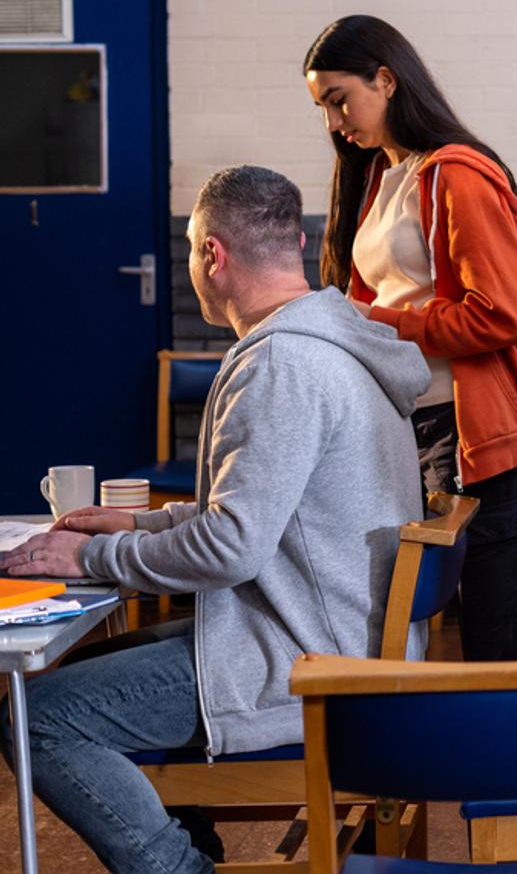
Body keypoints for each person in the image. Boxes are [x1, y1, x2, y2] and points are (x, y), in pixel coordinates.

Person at [0, 166, 426, 874]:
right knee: (78, 673)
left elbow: (233, 548)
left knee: (34, 715)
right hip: (334, 635)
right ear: (294, 242)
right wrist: (140, 528)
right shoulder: (333, 338)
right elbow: (265, 513)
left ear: (212, 256)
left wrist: (84, 559)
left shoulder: (281, 364)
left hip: (309, 664)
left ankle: (179, 866)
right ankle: (192, 842)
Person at [304, 14, 517, 662]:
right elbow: (370, 305)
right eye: (323, 108)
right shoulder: (381, 178)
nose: (334, 121)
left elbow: (500, 315)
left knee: (497, 637)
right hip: (407, 428)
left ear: (385, 79)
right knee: (405, 619)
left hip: (470, 433)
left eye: (339, 100)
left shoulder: (455, 173)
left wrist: (374, 323)